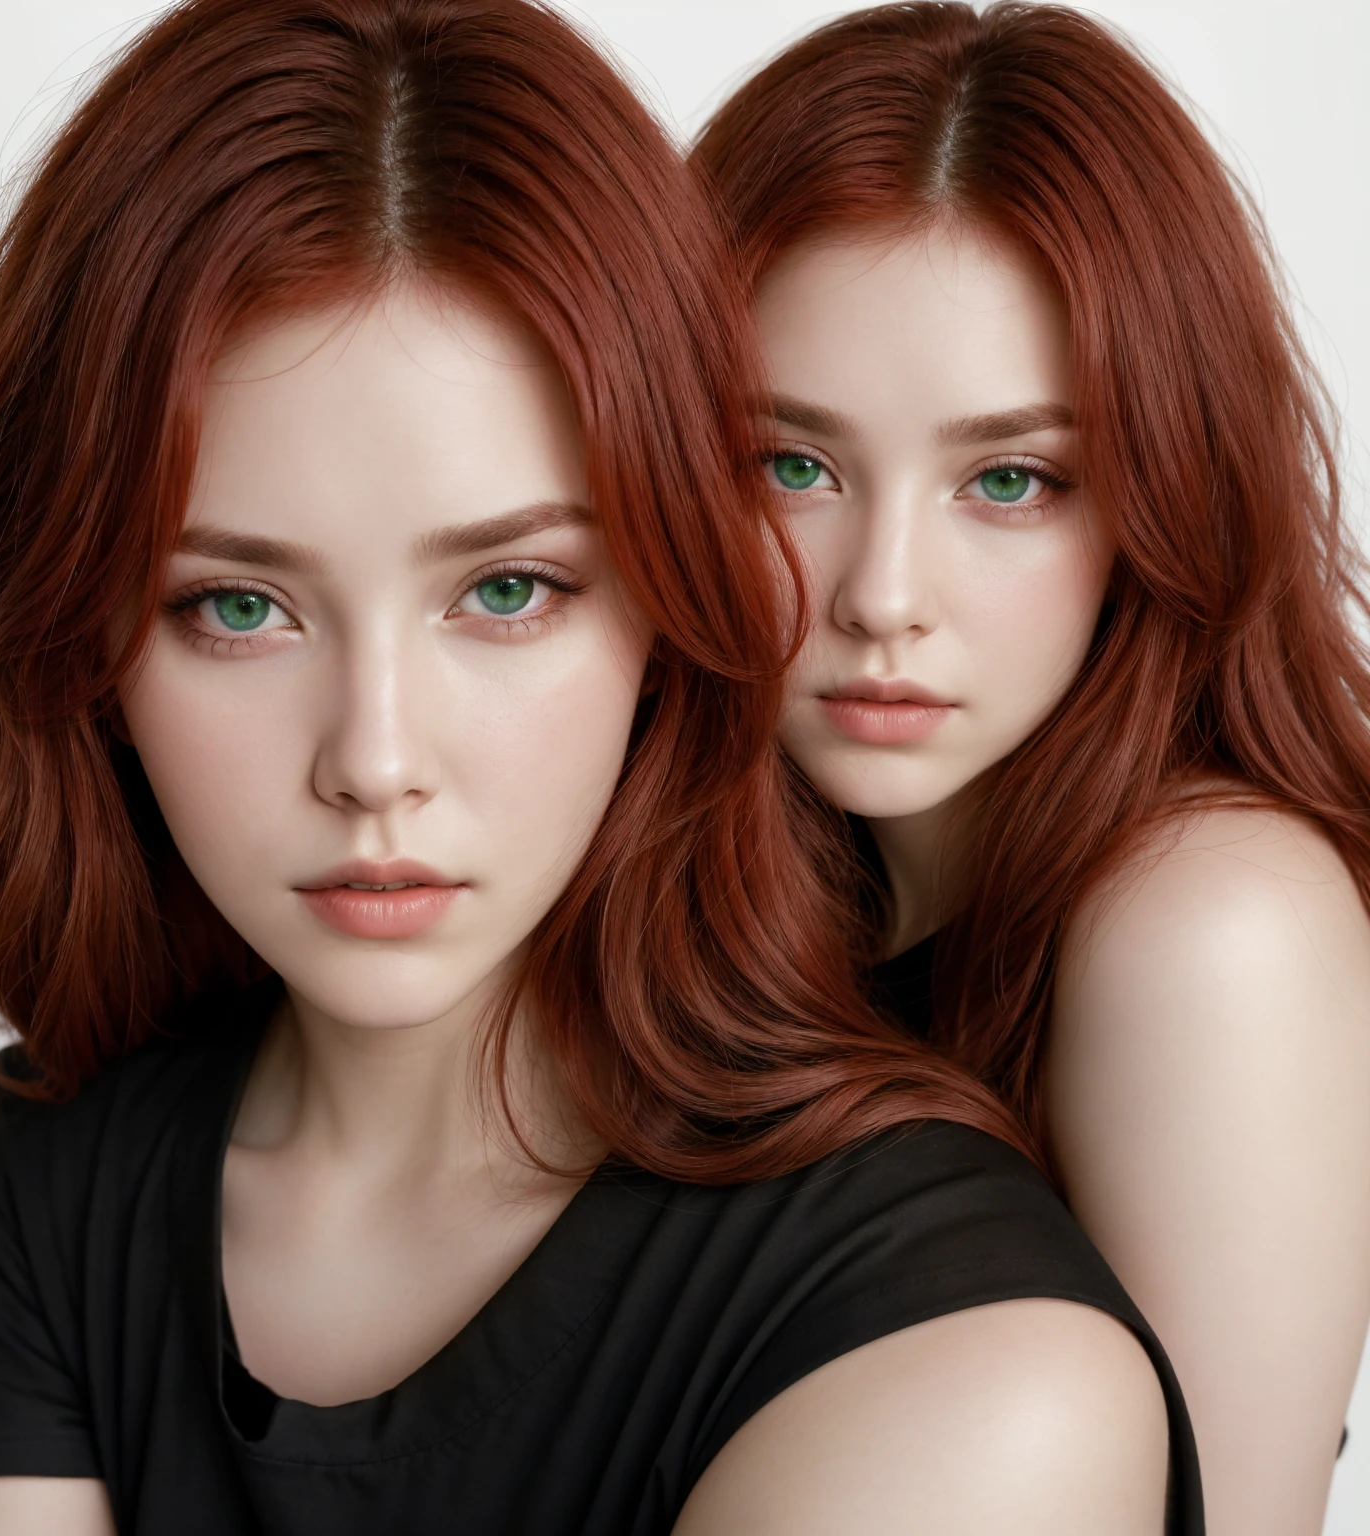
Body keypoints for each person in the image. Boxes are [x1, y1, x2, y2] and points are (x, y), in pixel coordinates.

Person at [0, 1, 1198, 1532]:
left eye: (506, 590)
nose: (376, 762)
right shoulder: (45, 1169)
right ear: (85, 645)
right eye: (236, 607)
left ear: (674, 610)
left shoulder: (971, 1368)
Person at [693, 4, 1370, 1533]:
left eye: (1011, 480)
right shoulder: (769, 886)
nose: (881, 592)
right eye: (791, 466)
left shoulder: (1212, 928)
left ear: (1159, 497)